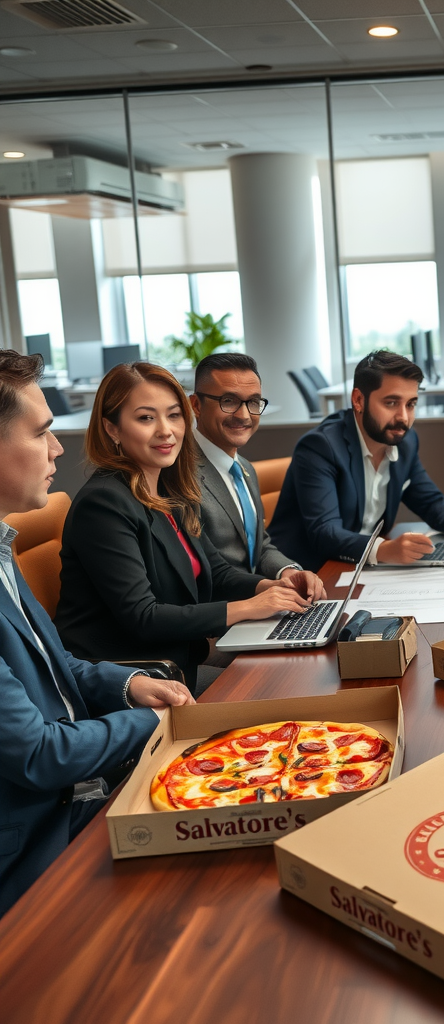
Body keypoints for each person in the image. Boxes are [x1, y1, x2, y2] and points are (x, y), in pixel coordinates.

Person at [0, 350, 194, 917]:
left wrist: (131, 685)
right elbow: (37, 754)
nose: (59, 448)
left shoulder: (2, 550)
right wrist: (151, 724)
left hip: (78, 793)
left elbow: (63, 665)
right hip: (37, 842)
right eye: (41, 433)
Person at [56, 362, 313, 692]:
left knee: (294, 670)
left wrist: (267, 588)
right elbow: (144, 617)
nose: (166, 430)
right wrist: (249, 607)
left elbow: (217, 573)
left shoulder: (168, 489)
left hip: (178, 662)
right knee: (278, 690)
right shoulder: (104, 504)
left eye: (174, 415)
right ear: (112, 429)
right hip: (136, 677)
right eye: (146, 418)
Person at [269, 349, 444, 569]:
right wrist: (382, 550)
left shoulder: (406, 441)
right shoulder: (321, 447)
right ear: (358, 400)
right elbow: (324, 532)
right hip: (308, 574)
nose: (403, 418)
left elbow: (429, 500)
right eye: (391, 403)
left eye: (411, 404)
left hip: (360, 568)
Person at [190, 352, 325, 600]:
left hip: (261, 605)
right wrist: (267, 589)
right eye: (228, 401)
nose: (243, 415)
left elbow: (260, 546)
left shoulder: (244, 468)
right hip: (220, 620)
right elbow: (205, 573)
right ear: (196, 405)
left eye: (253, 402)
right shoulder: (180, 475)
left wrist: (289, 571)